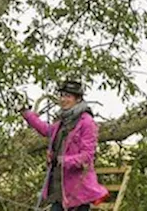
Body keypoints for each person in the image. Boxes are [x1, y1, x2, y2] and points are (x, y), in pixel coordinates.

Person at [18, 80, 109, 211]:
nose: (63, 99)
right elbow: (46, 130)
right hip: (59, 187)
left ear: (78, 99)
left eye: (68, 96)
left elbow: (87, 157)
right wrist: (26, 113)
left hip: (78, 189)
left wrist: (61, 160)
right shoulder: (62, 121)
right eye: (62, 95)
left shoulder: (87, 122)